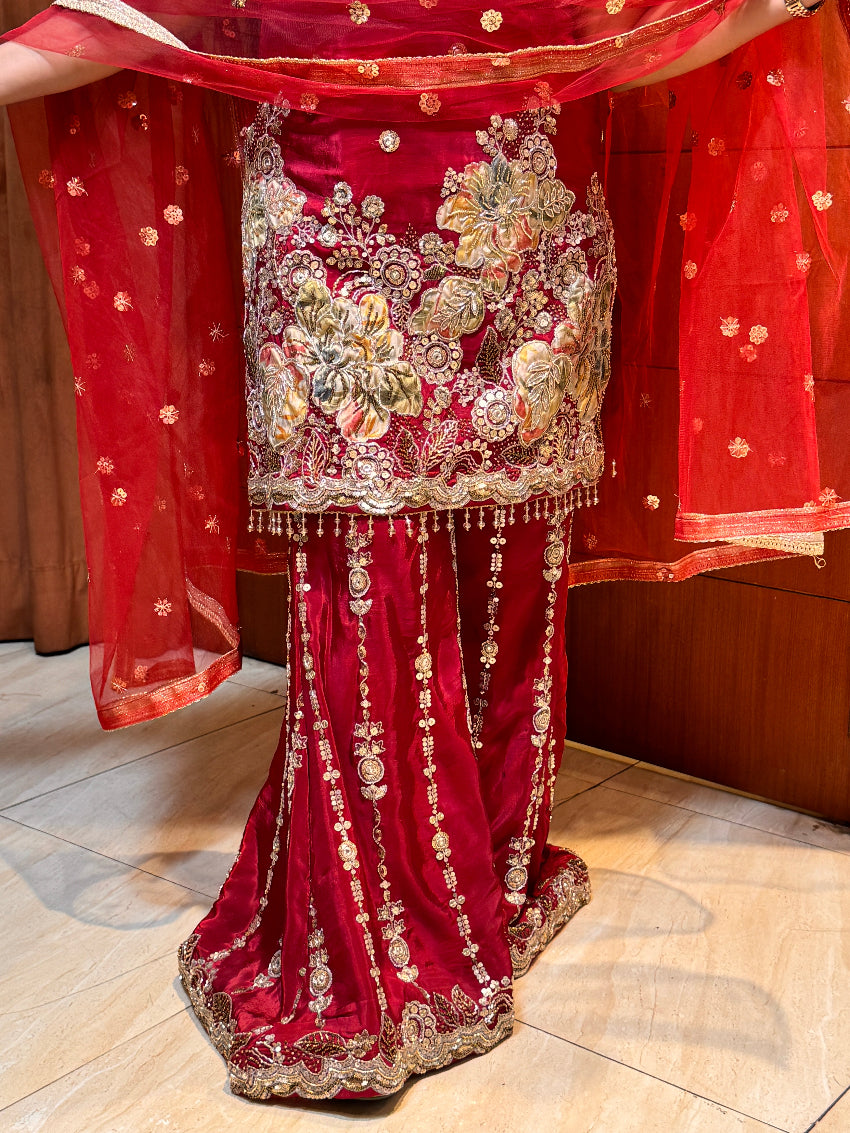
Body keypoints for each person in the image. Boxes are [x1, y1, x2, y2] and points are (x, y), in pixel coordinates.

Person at [0, 0, 842, 1102]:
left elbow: (666, 19)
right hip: (336, 268)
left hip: (529, 250)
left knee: (512, 579)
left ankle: (482, 873)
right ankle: (367, 947)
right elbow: (125, 19)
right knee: (365, 586)